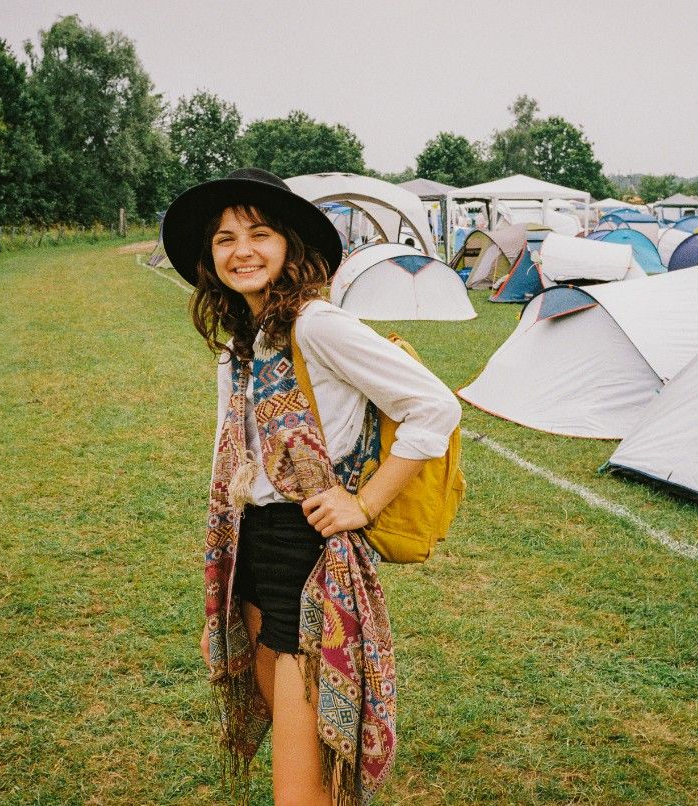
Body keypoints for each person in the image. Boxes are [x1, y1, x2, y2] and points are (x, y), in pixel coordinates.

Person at [162, 168, 461, 806]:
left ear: (290, 246)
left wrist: (364, 502)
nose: (241, 250)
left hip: (309, 557)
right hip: (254, 551)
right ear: (209, 260)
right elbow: (237, 457)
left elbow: (434, 406)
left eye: (259, 233)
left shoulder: (317, 326)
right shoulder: (239, 348)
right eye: (224, 239)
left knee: (301, 788)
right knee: (301, 762)